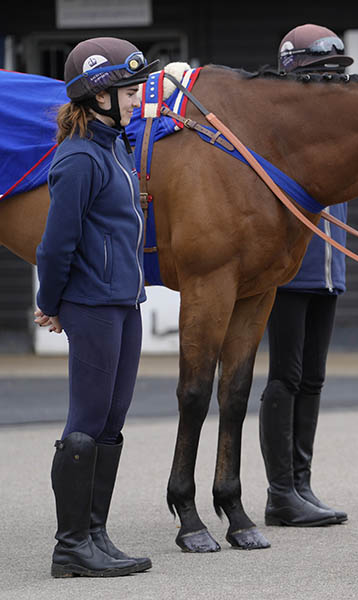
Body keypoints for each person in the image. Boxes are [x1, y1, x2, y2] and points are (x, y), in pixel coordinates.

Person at [33, 37, 157, 578]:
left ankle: (96, 534)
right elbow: (56, 244)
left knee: (112, 420)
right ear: (100, 96)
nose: (137, 100)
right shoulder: (79, 156)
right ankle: (70, 547)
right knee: (85, 420)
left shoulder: (115, 147)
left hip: (124, 303)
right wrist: (50, 302)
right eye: (130, 92)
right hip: (91, 304)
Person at [257, 24, 351, 528]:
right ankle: (280, 493)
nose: (330, 83)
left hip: (329, 265)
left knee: (312, 377)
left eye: (335, 74)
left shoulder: (335, 126)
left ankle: (302, 483)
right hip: (291, 266)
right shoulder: (279, 125)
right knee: (286, 376)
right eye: (322, 73)